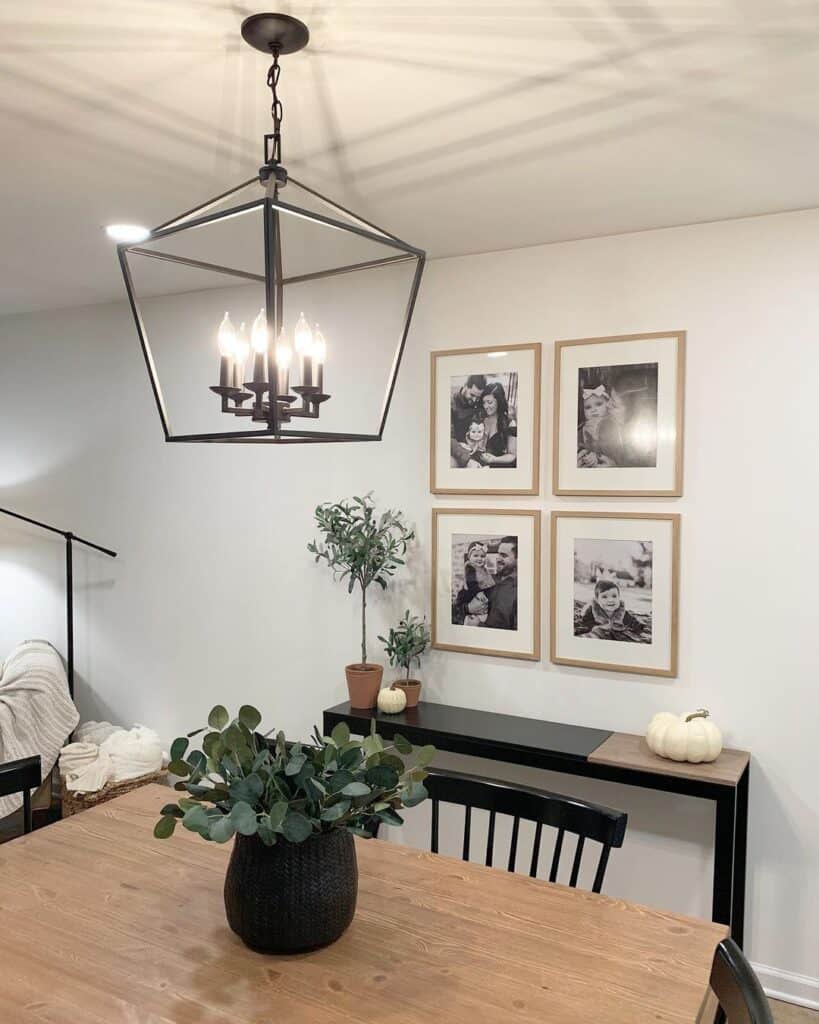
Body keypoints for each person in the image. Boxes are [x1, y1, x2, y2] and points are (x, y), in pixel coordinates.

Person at [466, 537, 517, 630]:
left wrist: (478, 625)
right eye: (498, 554)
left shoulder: (519, 589)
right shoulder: (490, 579)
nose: (498, 559)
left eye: (504, 555)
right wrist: (467, 608)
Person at [576, 579, 645, 642]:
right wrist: (595, 627)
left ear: (619, 598)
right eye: (604, 597)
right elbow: (586, 622)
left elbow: (631, 620)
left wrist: (639, 626)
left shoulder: (621, 612)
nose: (610, 600)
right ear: (597, 600)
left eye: (614, 596)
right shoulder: (592, 611)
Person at [577, 385, 625, 468]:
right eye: (588, 407)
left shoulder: (609, 424)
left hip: (607, 462)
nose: (593, 410)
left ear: (607, 404)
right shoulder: (582, 427)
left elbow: (612, 448)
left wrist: (596, 455)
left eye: (598, 404)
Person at [477, 382, 517, 468]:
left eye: (489, 402)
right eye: (484, 402)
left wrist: (494, 460)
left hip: (500, 466)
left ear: (499, 401)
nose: (486, 406)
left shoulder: (510, 423)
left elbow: (512, 455)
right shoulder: (481, 419)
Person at [450, 375, 487, 467]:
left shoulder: (479, 402)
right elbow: (447, 438)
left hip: (476, 448)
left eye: (478, 397)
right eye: (472, 395)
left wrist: (478, 443)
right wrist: (467, 459)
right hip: (457, 450)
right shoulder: (452, 404)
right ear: (466, 386)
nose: (475, 400)